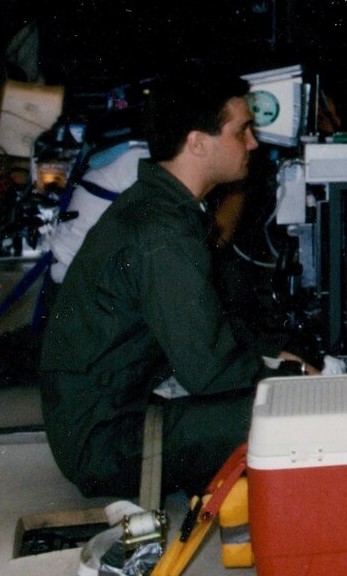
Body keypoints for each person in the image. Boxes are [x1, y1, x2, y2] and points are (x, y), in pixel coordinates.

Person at [39, 65, 313, 502]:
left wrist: (271, 354)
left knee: (281, 384)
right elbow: (210, 372)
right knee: (300, 412)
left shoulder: (160, 207)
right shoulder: (162, 233)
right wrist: (293, 380)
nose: (253, 143)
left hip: (112, 407)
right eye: (242, 131)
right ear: (197, 143)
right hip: (104, 442)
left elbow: (202, 328)